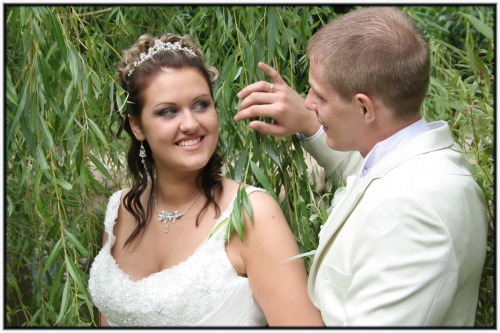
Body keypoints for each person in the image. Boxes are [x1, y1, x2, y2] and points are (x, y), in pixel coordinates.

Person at [235, 6, 487, 326]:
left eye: (320, 96)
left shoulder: (411, 208)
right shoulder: (416, 159)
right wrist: (309, 123)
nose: (307, 101)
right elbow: (373, 177)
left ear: (365, 108)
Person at [87, 33, 324, 327]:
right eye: (168, 111)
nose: (191, 123)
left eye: (200, 105)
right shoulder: (120, 209)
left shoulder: (251, 213)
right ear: (137, 126)